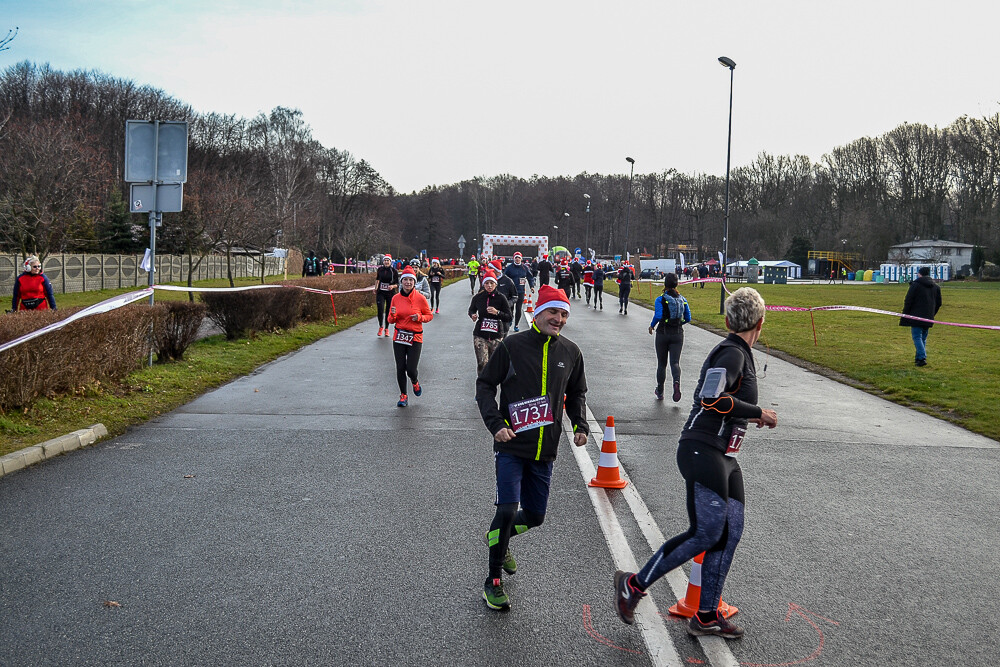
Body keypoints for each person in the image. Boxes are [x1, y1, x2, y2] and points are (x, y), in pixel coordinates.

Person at [614, 287, 778, 638]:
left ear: (728, 319)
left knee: (729, 532)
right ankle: (633, 585)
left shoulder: (742, 354)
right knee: (705, 532)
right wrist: (758, 411)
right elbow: (709, 399)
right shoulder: (732, 353)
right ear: (761, 322)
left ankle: (705, 614)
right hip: (701, 448)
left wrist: (750, 417)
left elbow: (726, 403)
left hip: (726, 455)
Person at [476, 284, 589, 611]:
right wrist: (496, 424)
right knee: (507, 510)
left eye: (564, 313)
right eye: (553, 312)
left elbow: (577, 392)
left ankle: (500, 537)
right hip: (511, 446)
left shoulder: (571, 352)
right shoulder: (512, 346)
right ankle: (493, 580)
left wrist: (580, 424)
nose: (559, 319)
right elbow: (485, 385)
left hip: (545, 451)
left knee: (536, 516)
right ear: (537, 313)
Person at [387, 267, 434, 407]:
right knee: (400, 367)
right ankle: (403, 395)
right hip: (399, 336)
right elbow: (390, 319)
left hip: (415, 337)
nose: (408, 282)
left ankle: (415, 381)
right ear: (401, 282)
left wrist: (419, 317)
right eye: (405, 280)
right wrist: (394, 315)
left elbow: (429, 315)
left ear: (414, 282)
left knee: (411, 369)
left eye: (410, 280)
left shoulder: (420, 298)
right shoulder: (395, 298)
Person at [648, 273, 691, 401]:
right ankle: (676, 383)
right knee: (675, 362)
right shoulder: (683, 299)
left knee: (662, 364)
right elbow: (688, 317)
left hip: (663, 333)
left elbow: (659, 315)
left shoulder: (660, 299)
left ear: (665, 284)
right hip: (677, 333)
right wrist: (678, 323)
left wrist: (652, 326)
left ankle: (660, 391)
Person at [469, 270, 512, 374]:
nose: (489, 286)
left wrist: (497, 312)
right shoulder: (478, 297)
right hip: (480, 334)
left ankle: (492, 384)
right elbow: (471, 309)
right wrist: (473, 315)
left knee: (494, 364)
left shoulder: (501, 298)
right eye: (487, 283)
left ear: (495, 284)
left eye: (491, 283)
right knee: (482, 363)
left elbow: (509, 317)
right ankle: (482, 384)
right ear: (483, 284)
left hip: (496, 335)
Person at [899, 266, 942, 367]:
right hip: (928, 316)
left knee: (917, 337)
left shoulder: (915, 285)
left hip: (916, 316)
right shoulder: (936, 287)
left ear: (919, 274)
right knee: (923, 337)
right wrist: (932, 313)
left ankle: (922, 357)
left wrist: (905, 314)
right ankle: (918, 359)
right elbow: (939, 303)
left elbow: (908, 300)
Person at [503, 252, 535, 332]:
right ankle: (510, 319)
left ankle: (516, 324)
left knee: (518, 308)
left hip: (520, 291)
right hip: (511, 291)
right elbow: (504, 277)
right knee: (510, 308)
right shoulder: (510, 268)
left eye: (519, 258)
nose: (517, 259)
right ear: (514, 258)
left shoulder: (525, 268)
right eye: (516, 257)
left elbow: (530, 277)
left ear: (521, 259)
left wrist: (532, 286)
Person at [375, 255, 399, 337]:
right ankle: (381, 326)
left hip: (390, 293)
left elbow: (397, 284)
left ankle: (387, 328)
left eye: (388, 261)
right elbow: (377, 279)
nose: (386, 262)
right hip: (381, 292)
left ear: (390, 262)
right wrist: (375, 288)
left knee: (388, 311)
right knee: (380, 309)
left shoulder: (394, 271)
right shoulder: (380, 269)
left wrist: (392, 286)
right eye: (385, 260)